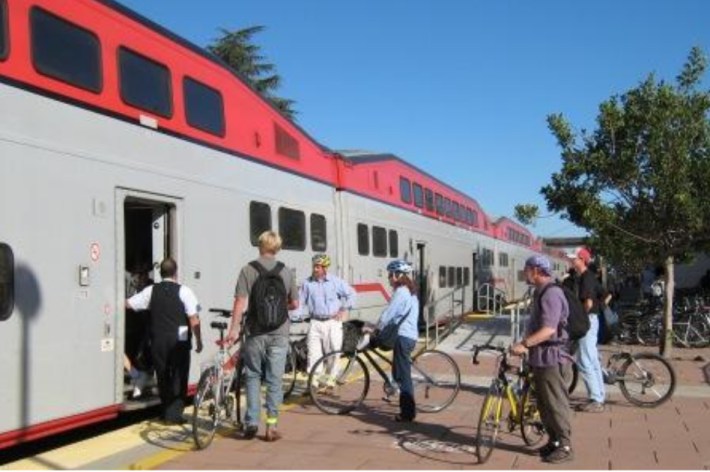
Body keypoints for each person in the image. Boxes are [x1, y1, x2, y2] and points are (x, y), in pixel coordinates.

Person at [226, 231, 299, 442]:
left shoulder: (248, 269)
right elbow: (295, 304)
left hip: (255, 332)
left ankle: (251, 422)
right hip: (279, 333)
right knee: (274, 379)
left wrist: (233, 329)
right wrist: (277, 307)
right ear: (277, 248)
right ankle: (271, 426)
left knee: (253, 376)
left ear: (260, 245)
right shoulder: (285, 272)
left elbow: (240, 302)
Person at [511, 255, 574, 464]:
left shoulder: (551, 294)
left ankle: (565, 446)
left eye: (527, 268)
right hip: (541, 357)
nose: (524, 272)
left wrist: (525, 344)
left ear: (537, 270)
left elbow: (549, 330)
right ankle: (554, 441)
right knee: (545, 405)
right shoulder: (540, 292)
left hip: (552, 358)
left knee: (556, 403)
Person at [126, 258, 202, 424]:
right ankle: (174, 414)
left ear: (160, 273)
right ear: (176, 273)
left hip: (158, 339)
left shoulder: (151, 291)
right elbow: (194, 319)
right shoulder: (185, 291)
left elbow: (129, 304)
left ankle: (166, 412)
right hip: (180, 339)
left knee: (162, 376)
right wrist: (199, 340)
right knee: (179, 376)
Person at [364, 259, 419, 423]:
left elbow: (389, 313)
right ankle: (393, 388)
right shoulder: (410, 290)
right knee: (400, 373)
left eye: (390, 274)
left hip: (403, 337)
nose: (388, 278)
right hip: (407, 336)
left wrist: (375, 328)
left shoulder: (401, 292)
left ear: (397, 275)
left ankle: (407, 413)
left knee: (404, 376)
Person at [295, 254, 356, 387]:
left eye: (318, 267)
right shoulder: (307, 283)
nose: (315, 269)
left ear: (325, 268)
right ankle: (314, 383)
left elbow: (351, 293)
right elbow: (300, 303)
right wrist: (294, 317)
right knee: (313, 353)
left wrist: (343, 309)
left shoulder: (335, 282)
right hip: (315, 322)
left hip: (332, 322)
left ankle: (329, 379)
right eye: (314, 266)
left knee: (333, 353)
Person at [566, 246, 606, 413]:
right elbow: (604, 294)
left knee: (584, 360)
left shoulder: (586, 278)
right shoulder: (589, 277)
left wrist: (579, 318)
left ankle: (596, 399)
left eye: (573, 258)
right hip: (592, 320)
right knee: (593, 359)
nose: (571, 260)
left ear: (582, 259)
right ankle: (599, 395)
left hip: (587, 321)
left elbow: (588, 303)